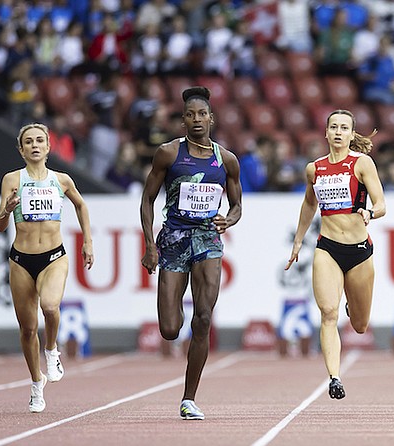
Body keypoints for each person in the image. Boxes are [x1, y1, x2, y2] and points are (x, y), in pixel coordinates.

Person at [140, 86, 242, 420]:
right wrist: (150, 245)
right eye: (190, 114)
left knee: (203, 318)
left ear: (211, 118)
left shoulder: (225, 159)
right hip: (173, 239)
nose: (196, 119)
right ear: (182, 120)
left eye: (202, 114)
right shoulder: (168, 154)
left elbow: (238, 204)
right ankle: (177, 316)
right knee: (170, 329)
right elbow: (147, 200)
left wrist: (229, 218)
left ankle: (189, 398)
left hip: (208, 240)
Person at [285, 109, 386, 399]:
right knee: (328, 313)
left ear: (352, 134)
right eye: (334, 127)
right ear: (326, 133)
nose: (338, 132)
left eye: (344, 128)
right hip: (327, 247)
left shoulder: (362, 163)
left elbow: (382, 203)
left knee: (360, 325)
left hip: (359, 251)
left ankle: (352, 307)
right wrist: (298, 240)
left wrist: (370, 212)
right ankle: (334, 377)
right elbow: (308, 204)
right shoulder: (314, 169)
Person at [0, 123, 94, 412]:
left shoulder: (61, 180)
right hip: (21, 260)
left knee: (50, 307)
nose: (35, 145)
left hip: (54, 257)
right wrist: (7, 208)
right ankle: (36, 384)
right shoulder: (12, 180)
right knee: (27, 329)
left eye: (40, 140)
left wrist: (87, 241)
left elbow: (81, 206)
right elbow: (0, 226)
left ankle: (51, 350)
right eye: (29, 142)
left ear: (49, 148)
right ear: (21, 149)